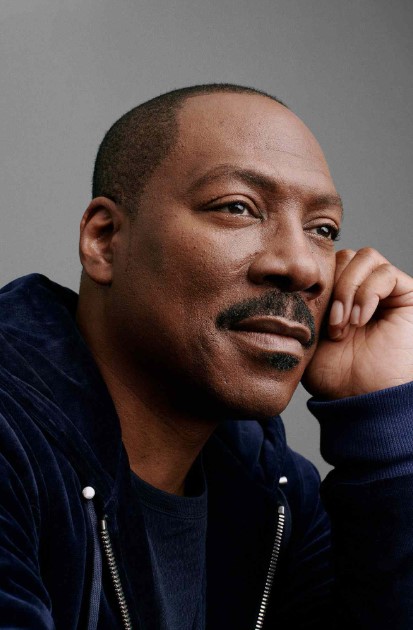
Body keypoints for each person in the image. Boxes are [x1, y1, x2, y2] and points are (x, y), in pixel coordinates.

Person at [0, 84, 412, 630]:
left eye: (322, 230)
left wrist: (383, 435)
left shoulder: (277, 495)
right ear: (104, 239)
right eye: (238, 207)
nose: (303, 267)